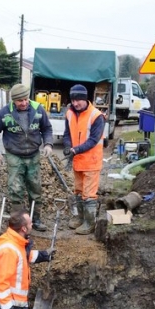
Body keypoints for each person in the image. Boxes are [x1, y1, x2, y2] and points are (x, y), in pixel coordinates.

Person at [0, 83, 54, 231]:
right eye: (20, 101)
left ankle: (35, 220)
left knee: (35, 188)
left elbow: (47, 128)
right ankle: (18, 223)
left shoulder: (38, 109)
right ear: (13, 101)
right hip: (14, 155)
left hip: (33, 155)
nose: (23, 103)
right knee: (15, 189)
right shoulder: (4, 113)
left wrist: (48, 144)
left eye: (25, 99)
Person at [62, 84, 106, 235]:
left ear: (85, 99)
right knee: (78, 191)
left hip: (91, 161)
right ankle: (80, 218)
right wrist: (68, 146)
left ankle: (90, 223)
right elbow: (67, 134)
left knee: (88, 193)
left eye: (78, 100)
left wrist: (76, 149)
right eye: (73, 100)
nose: (75, 103)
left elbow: (93, 140)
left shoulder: (96, 116)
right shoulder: (69, 113)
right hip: (78, 161)